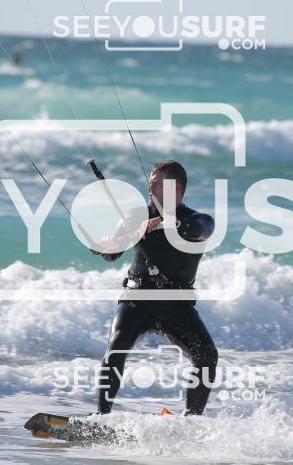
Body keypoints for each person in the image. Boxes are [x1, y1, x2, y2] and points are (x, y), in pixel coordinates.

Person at [95, 160, 218, 416]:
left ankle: (191, 420)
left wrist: (163, 222)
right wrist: (108, 244)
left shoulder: (198, 220)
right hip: (137, 299)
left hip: (177, 307)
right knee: (116, 348)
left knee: (207, 356)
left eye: (158, 183)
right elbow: (110, 254)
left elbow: (199, 230)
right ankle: (101, 417)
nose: (151, 187)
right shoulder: (136, 216)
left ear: (177, 188)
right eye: (151, 182)